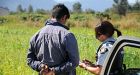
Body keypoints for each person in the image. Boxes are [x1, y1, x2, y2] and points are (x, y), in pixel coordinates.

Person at [27, 4, 79, 75]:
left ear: (52, 16)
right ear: (64, 17)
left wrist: (41, 66)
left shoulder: (36, 35)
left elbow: (30, 60)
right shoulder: (67, 35)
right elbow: (74, 62)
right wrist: (54, 71)